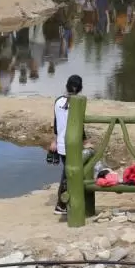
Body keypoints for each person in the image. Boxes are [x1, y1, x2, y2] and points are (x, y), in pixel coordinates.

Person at [51, 74, 83, 215]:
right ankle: (61, 205)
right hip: (73, 143)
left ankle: (65, 202)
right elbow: (79, 126)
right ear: (80, 88)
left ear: (66, 85)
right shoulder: (78, 102)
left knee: (67, 172)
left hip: (61, 143)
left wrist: (54, 141)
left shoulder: (58, 101)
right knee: (68, 175)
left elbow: (56, 124)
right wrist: (86, 142)